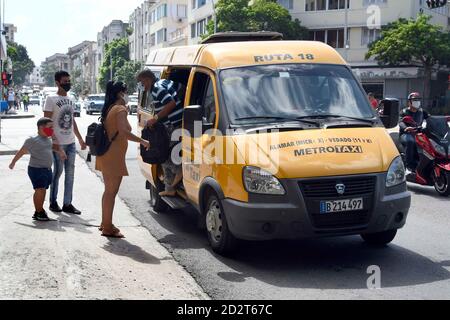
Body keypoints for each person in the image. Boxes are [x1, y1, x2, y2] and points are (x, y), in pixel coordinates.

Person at [95, 81, 150, 238]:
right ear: (120, 93)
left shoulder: (111, 108)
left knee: (108, 191)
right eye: (126, 91)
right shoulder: (120, 109)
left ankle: (105, 222)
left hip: (107, 153)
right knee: (112, 192)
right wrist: (143, 141)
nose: (127, 95)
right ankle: (107, 227)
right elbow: (124, 132)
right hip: (113, 155)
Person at [44, 71, 87, 215]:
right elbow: (46, 124)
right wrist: (54, 142)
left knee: (70, 174)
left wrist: (80, 138)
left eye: (69, 80)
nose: (68, 83)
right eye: (65, 81)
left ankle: (67, 203)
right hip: (58, 144)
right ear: (57, 82)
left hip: (70, 142)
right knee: (57, 173)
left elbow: (72, 120)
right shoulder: (51, 99)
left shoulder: (71, 99)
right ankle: (53, 202)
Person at [137, 70, 185, 197]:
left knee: (162, 154)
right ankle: (170, 186)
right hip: (176, 123)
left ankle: (177, 173)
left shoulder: (156, 88)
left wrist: (155, 118)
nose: (143, 86)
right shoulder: (163, 82)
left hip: (173, 125)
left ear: (148, 79)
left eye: (142, 83)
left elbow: (171, 103)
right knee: (167, 153)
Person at [8, 118, 61, 221]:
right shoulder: (32, 140)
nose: (52, 129)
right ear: (41, 127)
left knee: (43, 190)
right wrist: (13, 162)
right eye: (50, 127)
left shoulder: (48, 140)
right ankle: (38, 212)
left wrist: (61, 152)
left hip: (47, 170)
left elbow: (52, 148)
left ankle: (39, 210)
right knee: (39, 190)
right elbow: (21, 151)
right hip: (36, 169)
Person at [399, 92, 429, 172]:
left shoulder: (422, 112)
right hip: (406, 134)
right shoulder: (404, 111)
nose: (417, 101)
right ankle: (410, 165)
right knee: (410, 141)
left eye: (418, 100)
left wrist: (442, 120)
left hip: (418, 134)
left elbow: (431, 119)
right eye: (415, 100)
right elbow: (401, 122)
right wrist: (406, 128)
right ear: (409, 102)